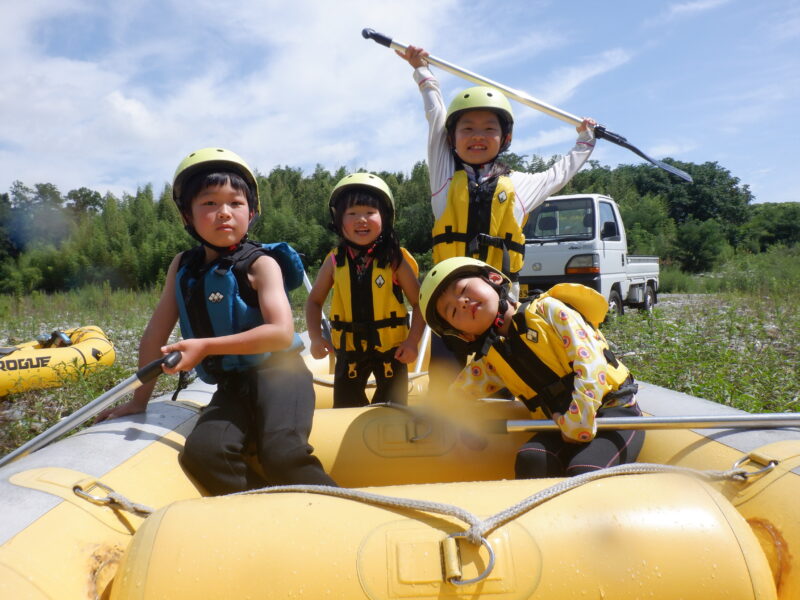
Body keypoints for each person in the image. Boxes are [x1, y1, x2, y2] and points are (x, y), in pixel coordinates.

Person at [96, 147, 336, 494]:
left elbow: (281, 333)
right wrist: (139, 400)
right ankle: (264, 517)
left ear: (251, 213)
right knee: (205, 456)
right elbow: (154, 335)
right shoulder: (183, 267)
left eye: (235, 203)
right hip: (233, 385)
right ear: (187, 216)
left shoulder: (261, 264)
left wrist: (206, 346)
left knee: (283, 454)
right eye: (209, 203)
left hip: (281, 376)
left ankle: (343, 516)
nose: (224, 213)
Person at [398, 46, 598, 389]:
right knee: (444, 383)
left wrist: (585, 140)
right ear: (452, 139)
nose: (477, 135)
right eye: (467, 128)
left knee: (505, 381)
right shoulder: (444, 180)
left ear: (504, 138)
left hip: (500, 307)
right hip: (452, 307)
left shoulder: (519, 186)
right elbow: (434, 119)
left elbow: (559, 173)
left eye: (489, 129)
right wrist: (423, 73)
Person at [418, 256, 644, 478]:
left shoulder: (549, 311)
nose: (461, 302)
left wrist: (578, 422)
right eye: (453, 311)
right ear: (464, 334)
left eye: (464, 289)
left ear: (494, 279)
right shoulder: (495, 359)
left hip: (615, 411)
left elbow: (591, 364)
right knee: (531, 458)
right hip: (561, 423)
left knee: (584, 469)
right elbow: (460, 392)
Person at [306, 173, 425, 408]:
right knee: (345, 405)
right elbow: (313, 302)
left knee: (394, 407)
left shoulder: (394, 260)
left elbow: (419, 304)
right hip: (349, 350)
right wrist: (315, 338)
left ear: (385, 218)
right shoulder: (334, 260)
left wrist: (412, 343)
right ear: (339, 221)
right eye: (352, 214)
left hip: (391, 350)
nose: (361, 220)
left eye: (370, 213)